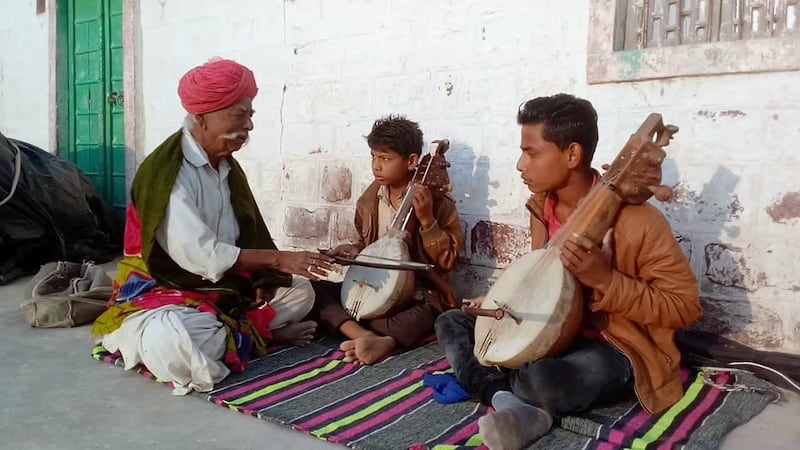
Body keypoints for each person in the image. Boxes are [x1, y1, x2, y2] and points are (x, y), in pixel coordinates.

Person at [434, 94, 702, 449]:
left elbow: (685, 308)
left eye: (531, 152)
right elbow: (546, 284)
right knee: (451, 322)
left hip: (615, 346)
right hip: (549, 332)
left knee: (540, 379)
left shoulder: (641, 222)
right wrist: (504, 301)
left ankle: (503, 390)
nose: (520, 164)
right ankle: (510, 402)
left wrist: (607, 281)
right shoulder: (541, 207)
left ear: (572, 154)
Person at [91, 58, 334, 395]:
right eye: (239, 114)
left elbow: (244, 235)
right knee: (174, 343)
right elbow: (199, 255)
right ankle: (259, 334)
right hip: (165, 289)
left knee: (301, 291)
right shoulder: (167, 173)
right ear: (202, 117)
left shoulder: (226, 167)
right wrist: (276, 260)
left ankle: (238, 333)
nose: (249, 125)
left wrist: (264, 277)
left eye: (250, 115)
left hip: (225, 289)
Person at [311, 115, 464, 365]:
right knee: (315, 290)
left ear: (412, 161)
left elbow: (446, 263)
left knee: (430, 311)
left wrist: (427, 221)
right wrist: (352, 251)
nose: (376, 166)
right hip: (372, 287)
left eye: (385, 158)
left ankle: (379, 339)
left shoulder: (437, 205)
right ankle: (365, 335)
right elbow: (369, 246)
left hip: (413, 293)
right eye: (373, 156)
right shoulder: (369, 201)